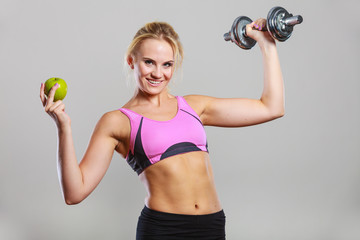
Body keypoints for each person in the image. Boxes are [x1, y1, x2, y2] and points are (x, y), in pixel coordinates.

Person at [40, 18, 284, 240]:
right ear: (131, 61)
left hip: (212, 226)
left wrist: (267, 45)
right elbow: (74, 193)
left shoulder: (194, 106)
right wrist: (64, 128)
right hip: (163, 230)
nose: (158, 73)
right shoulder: (117, 121)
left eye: (167, 64)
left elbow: (271, 107)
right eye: (149, 62)